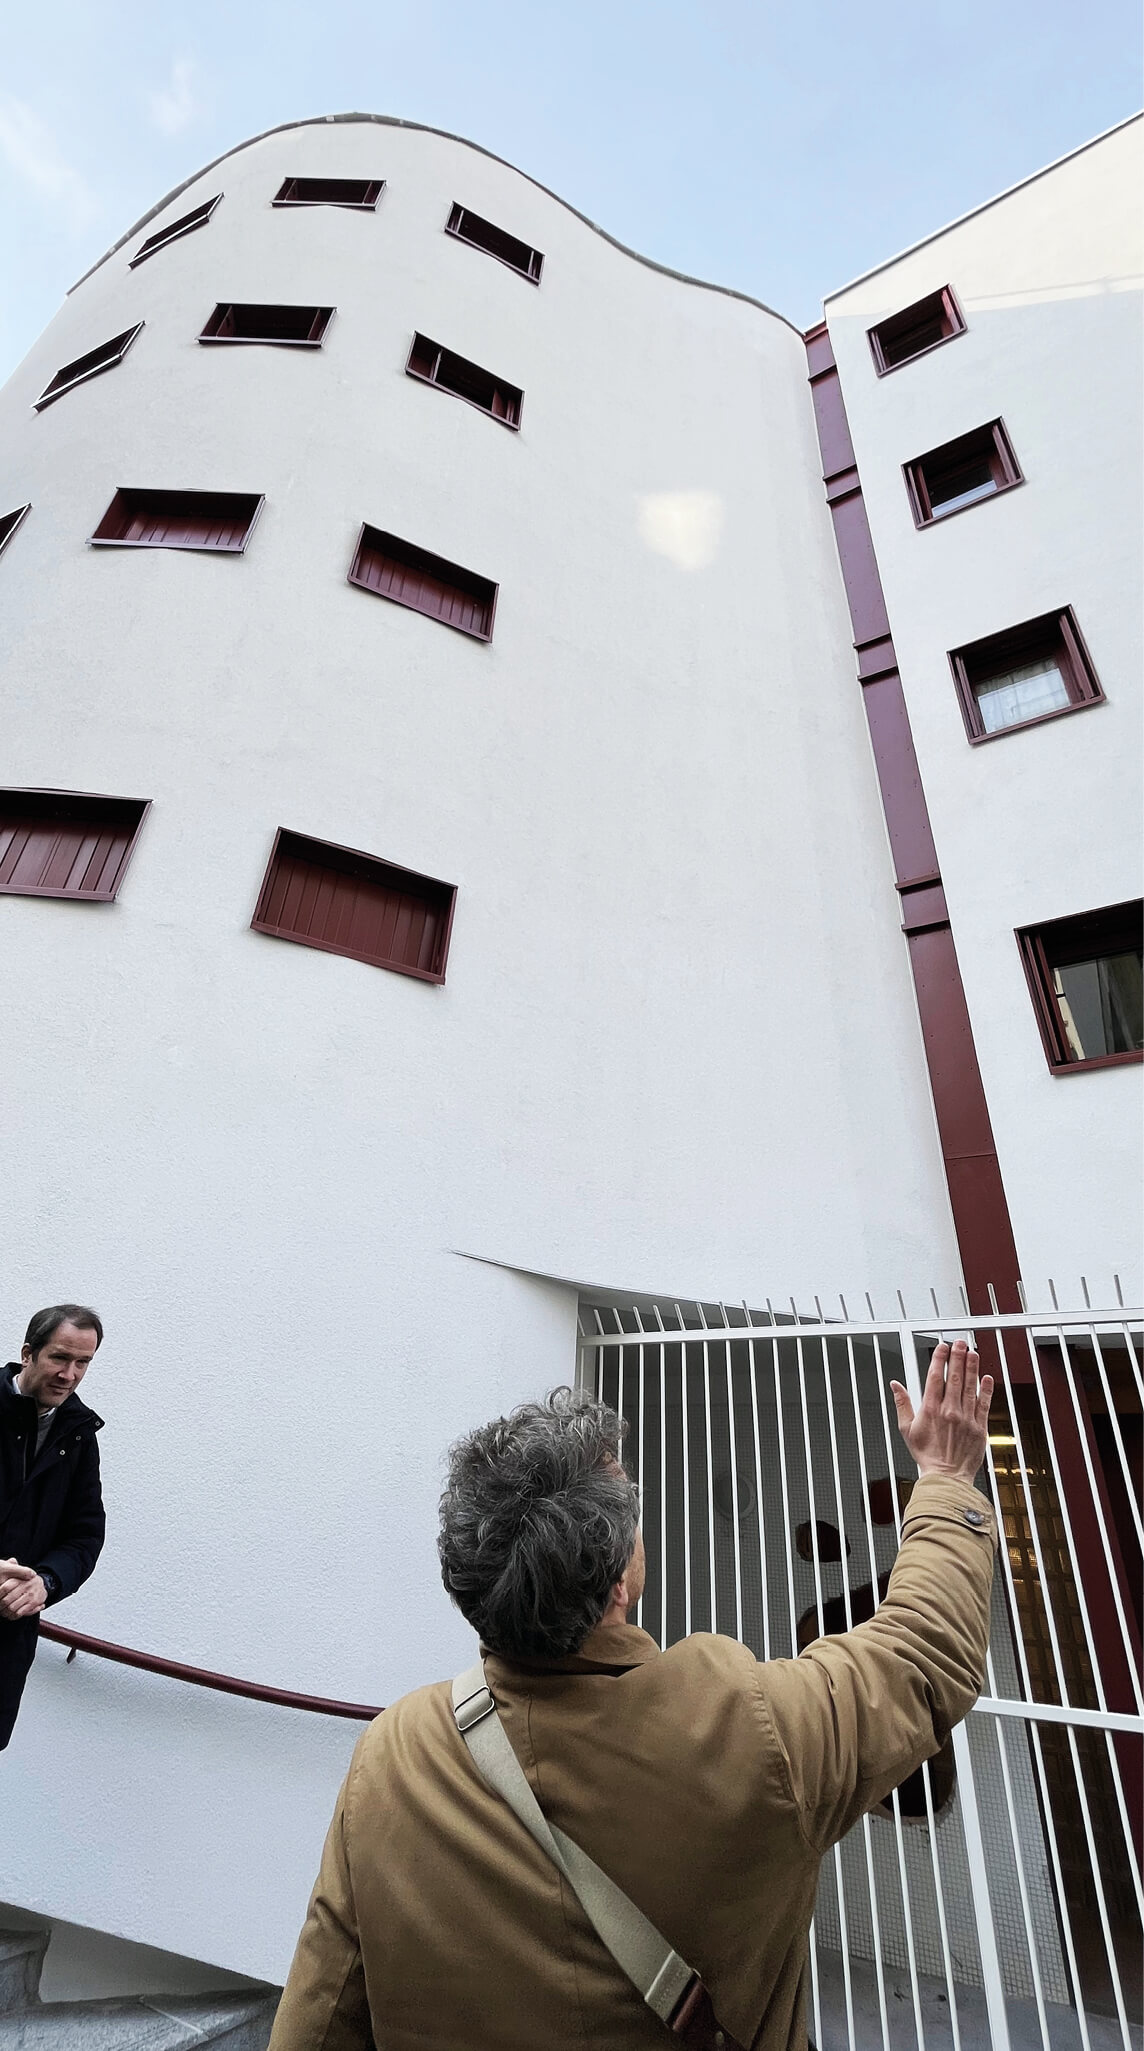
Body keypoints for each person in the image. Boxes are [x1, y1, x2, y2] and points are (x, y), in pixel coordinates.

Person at [270, 1340, 995, 2051]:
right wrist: (946, 1477)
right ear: (619, 1583)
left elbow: (322, 2012)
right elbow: (923, 1651)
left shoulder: (392, 1755)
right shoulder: (749, 1729)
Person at [0, 1305, 107, 1751]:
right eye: (60, 1358)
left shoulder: (79, 1433)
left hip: (7, 1638)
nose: (70, 1374)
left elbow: (84, 1535)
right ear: (28, 1353)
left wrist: (46, 1582)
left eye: (83, 1363)